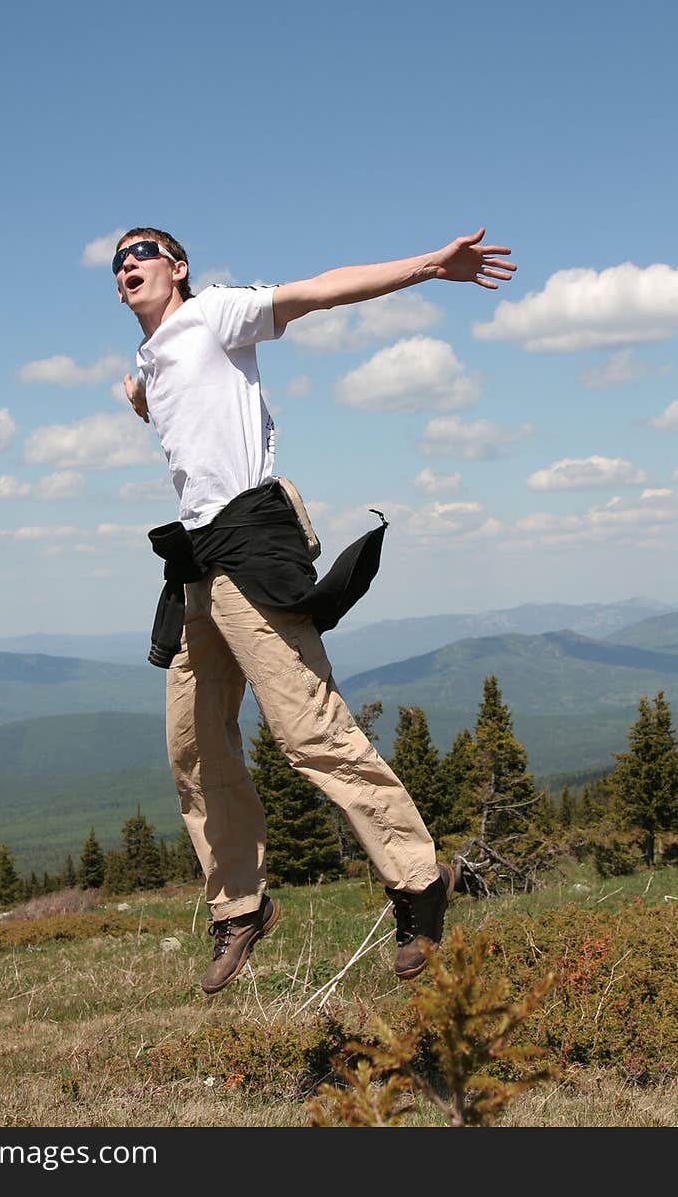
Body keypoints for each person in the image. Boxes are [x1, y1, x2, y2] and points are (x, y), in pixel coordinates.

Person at [113, 224, 516, 993]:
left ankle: (420, 885)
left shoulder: (215, 315)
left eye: (142, 254)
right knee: (192, 747)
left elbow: (318, 290)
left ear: (179, 268)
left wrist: (431, 266)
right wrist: (137, 393)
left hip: (252, 549)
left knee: (310, 734)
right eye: (117, 261)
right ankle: (240, 906)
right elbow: (169, 407)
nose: (127, 265)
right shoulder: (153, 358)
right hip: (198, 563)